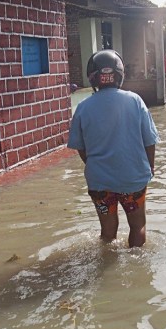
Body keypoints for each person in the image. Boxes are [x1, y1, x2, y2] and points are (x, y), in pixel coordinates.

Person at [68, 49, 160, 247]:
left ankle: (107, 270)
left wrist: (95, 165)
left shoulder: (83, 107)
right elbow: (149, 141)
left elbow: (80, 147)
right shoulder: (135, 101)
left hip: (99, 182)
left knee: (108, 232)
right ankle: (137, 272)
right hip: (133, 179)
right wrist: (149, 167)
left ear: (93, 78)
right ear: (120, 75)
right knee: (137, 226)